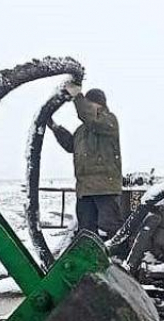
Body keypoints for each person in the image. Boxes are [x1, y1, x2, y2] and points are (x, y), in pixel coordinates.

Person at [48, 84, 124, 238]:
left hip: (105, 188)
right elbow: (71, 145)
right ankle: (88, 260)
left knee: (110, 230)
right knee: (86, 233)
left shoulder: (109, 121)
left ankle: (115, 259)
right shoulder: (82, 131)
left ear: (100, 104)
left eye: (90, 103)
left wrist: (77, 96)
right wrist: (55, 128)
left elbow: (90, 119)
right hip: (85, 190)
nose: (87, 107)